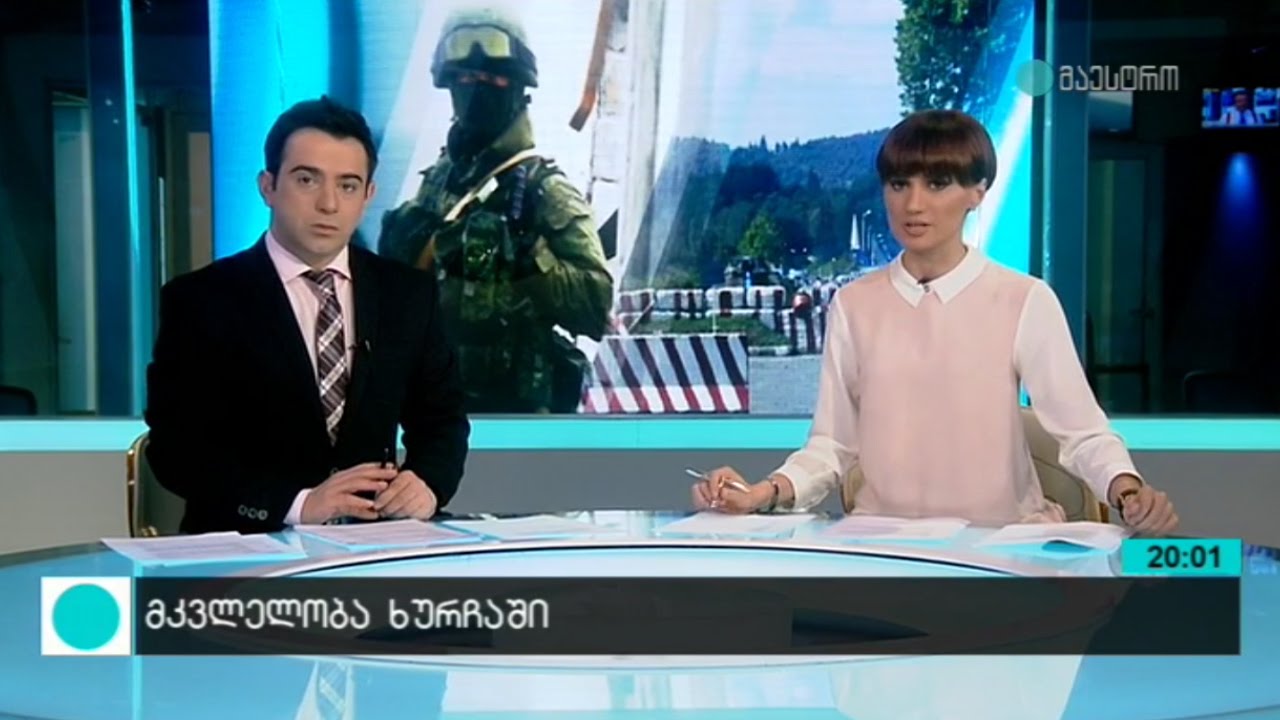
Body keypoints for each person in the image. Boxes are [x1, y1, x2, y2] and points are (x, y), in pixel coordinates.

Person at [692, 109, 1180, 536]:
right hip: (882, 547)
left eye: (938, 184)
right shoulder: (854, 304)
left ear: (977, 192)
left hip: (1003, 547)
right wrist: (764, 492)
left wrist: (1127, 491)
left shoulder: (1023, 299)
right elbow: (832, 446)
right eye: (899, 184)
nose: (914, 204)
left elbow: (1082, 432)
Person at [144, 96, 470, 534]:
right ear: (268, 186)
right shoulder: (201, 300)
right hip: (247, 547)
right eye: (306, 180)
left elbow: (442, 419)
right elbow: (176, 449)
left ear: (368, 196)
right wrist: (298, 505)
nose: (328, 204)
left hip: (373, 544)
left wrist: (427, 483)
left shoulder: (407, 294)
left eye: (348, 185)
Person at [378, 6, 613, 414]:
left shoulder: (544, 189)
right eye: (466, 77)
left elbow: (596, 304)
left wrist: (530, 260)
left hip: (515, 419)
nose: (477, 88)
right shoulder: (438, 182)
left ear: (519, 86)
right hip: (433, 408)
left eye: (494, 77)